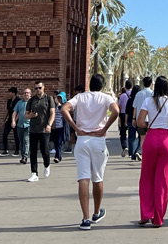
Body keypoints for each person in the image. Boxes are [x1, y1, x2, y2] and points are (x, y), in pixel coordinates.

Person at [62, 73, 119, 230]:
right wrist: (105, 128)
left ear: (89, 84)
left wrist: (76, 127)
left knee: (83, 178)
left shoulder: (80, 97)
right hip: (98, 139)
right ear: (102, 86)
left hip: (82, 139)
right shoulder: (105, 98)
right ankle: (96, 212)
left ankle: (85, 219)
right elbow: (116, 111)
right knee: (97, 178)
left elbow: (64, 109)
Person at [135, 75, 168, 227]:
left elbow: (140, 122)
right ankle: (158, 218)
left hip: (151, 138)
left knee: (147, 177)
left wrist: (150, 124)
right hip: (166, 140)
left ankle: (145, 214)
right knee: (163, 179)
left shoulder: (148, 101)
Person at [26, 81, 56, 181]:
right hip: (33, 129)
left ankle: (47, 165)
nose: (38, 90)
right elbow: (26, 115)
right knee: (33, 151)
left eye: (39, 88)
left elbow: (52, 113)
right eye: (36, 88)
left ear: (43, 87)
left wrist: (49, 125)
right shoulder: (32, 100)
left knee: (45, 150)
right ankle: (34, 173)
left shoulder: (49, 98)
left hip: (44, 129)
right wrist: (31, 115)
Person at [131, 75, 153, 162]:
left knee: (142, 138)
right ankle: (149, 155)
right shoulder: (153, 94)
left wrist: (134, 118)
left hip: (140, 120)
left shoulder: (138, 94)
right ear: (151, 84)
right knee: (150, 138)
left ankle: (143, 154)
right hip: (150, 120)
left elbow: (135, 107)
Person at [13, 86, 32, 164]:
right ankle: (23, 155)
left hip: (29, 125)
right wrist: (13, 121)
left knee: (26, 140)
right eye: (25, 93)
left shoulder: (32, 102)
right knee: (21, 141)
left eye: (27, 93)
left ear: (30, 94)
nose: (26, 94)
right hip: (20, 125)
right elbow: (15, 112)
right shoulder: (19, 103)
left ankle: (25, 156)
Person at [1, 87, 20, 157]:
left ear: (13, 93)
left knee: (16, 135)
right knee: (5, 134)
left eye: (10, 92)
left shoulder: (18, 101)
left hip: (16, 120)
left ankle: (17, 150)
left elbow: (19, 112)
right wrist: (4, 120)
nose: (9, 93)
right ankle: (5, 150)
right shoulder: (9, 101)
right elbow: (7, 111)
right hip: (9, 120)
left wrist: (14, 121)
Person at [117, 81, 133, 158]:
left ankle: (124, 147)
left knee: (122, 132)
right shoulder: (134, 94)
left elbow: (119, 106)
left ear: (125, 86)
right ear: (132, 86)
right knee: (131, 133)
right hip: (131, 114)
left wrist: (119, 116)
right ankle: (131, 149)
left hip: (123, 114)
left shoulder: (123, 95)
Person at [51, 90, 67, 163]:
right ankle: (57, 155)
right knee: (55, 142)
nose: (58, 99)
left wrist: (59, 105)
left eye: (60, 98)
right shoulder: (54, 106)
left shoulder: (63, 106)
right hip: (54, 127)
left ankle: (58, 157)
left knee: (58, 142)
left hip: (60, 127)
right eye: (58, 98)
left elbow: (64, 113)